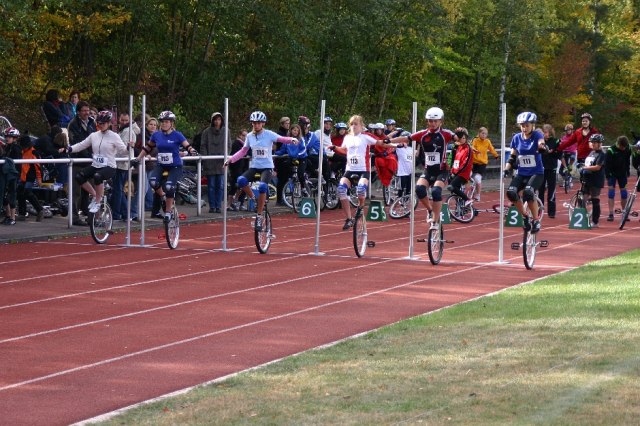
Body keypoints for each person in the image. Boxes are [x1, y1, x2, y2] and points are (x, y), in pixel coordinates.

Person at [223, 111, 298, 231]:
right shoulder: (249, 136)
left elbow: (281, 139)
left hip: (267, 167)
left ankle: (259, 216)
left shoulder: (268, 134)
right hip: (255, 166)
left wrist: (292, 139)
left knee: (263, 186)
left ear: (263, 123)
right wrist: (231, 159)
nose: (256, 125)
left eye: (258, 123)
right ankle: (254, 199)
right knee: (241, 180)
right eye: (254, 123)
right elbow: (243, 151)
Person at [388, 107, 455, 229]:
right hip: (428, 170)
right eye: (430, 121)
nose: (432, 123)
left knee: (436, 191)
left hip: (442, 171)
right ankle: (430, 210)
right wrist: (388, 140)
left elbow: (458, 138)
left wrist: (460, 134)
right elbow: (406, 138)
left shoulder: (446, 134)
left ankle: (435, 221)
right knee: (419, 189)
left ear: (441, 121)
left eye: (435, 121)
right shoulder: (423, 134)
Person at [328, 115, 398, 230]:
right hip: (350, 169)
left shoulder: (366, 136)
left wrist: (396, 145)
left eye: (356, 124)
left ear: (361, 125)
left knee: (360, 190)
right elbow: (344, 150)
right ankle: (349, 218)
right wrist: (335, 148)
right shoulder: (347, 137)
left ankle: (360, 207)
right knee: (341, 189)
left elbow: (381, 143)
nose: (354, 126)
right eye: (352, 124)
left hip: (363, 170)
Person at [133, 110, 198, 223]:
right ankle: (163, 196)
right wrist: (138, 158)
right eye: (162, 122)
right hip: (161, 165)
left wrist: (192, 151)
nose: (164, 124)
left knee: (169, 186)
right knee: (153, 182)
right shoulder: (156, 135)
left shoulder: (177, 135)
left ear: (171, 123)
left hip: (175, 166)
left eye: (167, 122)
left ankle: (168, 212)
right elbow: (147, 148)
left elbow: (187, 146)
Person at [61, 110, 129, 215]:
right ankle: (95, 195)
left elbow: (123, 151)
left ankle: (97, 201)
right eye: (99, 123)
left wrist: (129, 147)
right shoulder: (94, 135)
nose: (101, 125)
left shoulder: (114, 136)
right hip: (96, 165)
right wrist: (69, 149)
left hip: (109, 166)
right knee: (79, 176)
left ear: (109, 123)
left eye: (103, 123)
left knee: (97, 176)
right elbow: (81, 145)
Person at [503, 112, 547, 234]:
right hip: (522, 173)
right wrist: (506, 169)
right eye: (522, 125)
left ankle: (536, 220)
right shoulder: (517, 138)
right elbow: (512, 156)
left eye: (527, 125)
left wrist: (542, 147)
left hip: (536, 173)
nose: (524, 128)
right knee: (511, 193)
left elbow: (541, 142)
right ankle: (525, 216)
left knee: (528, 192)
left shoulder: (537, 135)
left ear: (532, 125)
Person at [67, 101, 96, 225]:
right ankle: (74, 218)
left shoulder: (92, 123)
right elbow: (77, 142)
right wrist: (89, 155)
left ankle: (91, 216)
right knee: (76, 192)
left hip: (90, 162)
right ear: (78, 112)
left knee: (92, 190)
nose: (86, 113)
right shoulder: (73, 124)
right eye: (84, 110)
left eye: (87, 110)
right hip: (78, 161)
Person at [111, 112, 139, 221]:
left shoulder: (127, 131)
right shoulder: (124, 130)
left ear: (130, 120)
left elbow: (123, 149)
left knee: (118, 190)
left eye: (126, 120)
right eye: (122, 120)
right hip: (123, 163)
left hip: (122, 164)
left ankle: (121, 213)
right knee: (119, 190)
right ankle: (124, 213)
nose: (123, 122)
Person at [201, 112, 227, 213]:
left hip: (221, 162)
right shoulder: (206, 132)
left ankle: (218, 205)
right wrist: (206, 158)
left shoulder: (226, 131)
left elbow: (228, 145)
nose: (217, 122)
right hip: (210, 162)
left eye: (219, 119)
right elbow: (203, 146)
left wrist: (226, 157)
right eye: (215, 119)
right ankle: (212, 206)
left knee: (220, 185)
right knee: (211, 186)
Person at [16, 135, 45, 222]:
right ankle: (22, 213)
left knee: (27, 192)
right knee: (20, 193)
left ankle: (40, 210)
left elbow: (38, 167)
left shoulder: (34, 153)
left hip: (30, 176)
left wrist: (39, 178)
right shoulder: (22, 152)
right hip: (23, 176)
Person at [580, 134, 606, 227]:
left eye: (595, 142)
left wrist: (585, 168)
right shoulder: (591, 152)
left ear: (599, 143)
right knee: (583, 199)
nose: (593, 144)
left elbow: (597, 167)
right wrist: (582, 166)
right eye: (592, 142)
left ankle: (595, 221)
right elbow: (588, 163)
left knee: (595, 199)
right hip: (587, 178)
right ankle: (583, 219)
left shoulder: (602, 154)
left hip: (596, 179)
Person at [604, 135, 631, 221]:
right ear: (618, 144)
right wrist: (608, 176)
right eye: (622, 147)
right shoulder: (611, 150)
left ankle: (624, 213)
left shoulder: (628, 148)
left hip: (622, 173)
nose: (623, 148)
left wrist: (628, 171)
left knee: (624, 194)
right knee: (611, 193)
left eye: (624, 147)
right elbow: (606, 165)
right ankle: (611, 214)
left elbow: (627, 160)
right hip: (612, 173)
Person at [539, 124, 562, 218]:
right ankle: (539, 210)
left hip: (552, 168)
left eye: (546, 132)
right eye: (543, 132)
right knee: (540, 190)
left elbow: (559, 154)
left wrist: (553, 152)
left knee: (551, 190)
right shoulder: (540, 141)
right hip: (541, 168)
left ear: (550, 132)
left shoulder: (556, 141)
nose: (544, 134)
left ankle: (551, 212)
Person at [470, 127, 499, 201]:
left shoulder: (487, 141)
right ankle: (470, 191)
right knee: (470, 177)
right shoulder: (475, 140)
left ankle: (478, 194)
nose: (484, 135)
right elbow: (472, 147)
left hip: (482, 163)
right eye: (482, 133)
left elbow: (491, 149)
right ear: (479, 133)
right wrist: (475, 150)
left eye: (485, 134)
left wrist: (496, 155)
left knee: (478, 179)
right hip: (474, 162)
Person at [447, 127, 474, 204]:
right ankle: (459, 207)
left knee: (451, 186)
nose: (461, 140)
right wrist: (452, 171)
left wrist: (458, 172)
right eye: (460, 138)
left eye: (463, 138)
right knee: (454, 190)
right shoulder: (458, 147)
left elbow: (466, 163)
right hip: (455, 171)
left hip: (463, 173)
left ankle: (467, 199)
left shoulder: (468, 149)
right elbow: (455, 160)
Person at [1, 127, 22, 225]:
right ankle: (8, 215)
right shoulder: (7, 147)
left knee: (12, 195)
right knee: (4, 195)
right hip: (6, 174)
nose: (7, 138)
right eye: (6, 136)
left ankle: (13, 217)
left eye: (9, 137)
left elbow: (16, 162)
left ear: (15, 138)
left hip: (13, 175)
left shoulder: (16, 148)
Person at [370, 123, 398, 191]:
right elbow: (369, 146)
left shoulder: (385, 137)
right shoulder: (372, 138)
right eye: (377, 130)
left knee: (392, 160)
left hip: (386, 155)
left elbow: (390, 147)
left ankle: (390, 177)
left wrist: (387, 152)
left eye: (380, 129)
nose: (379, 131)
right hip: (376, 156)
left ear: (382, 130)